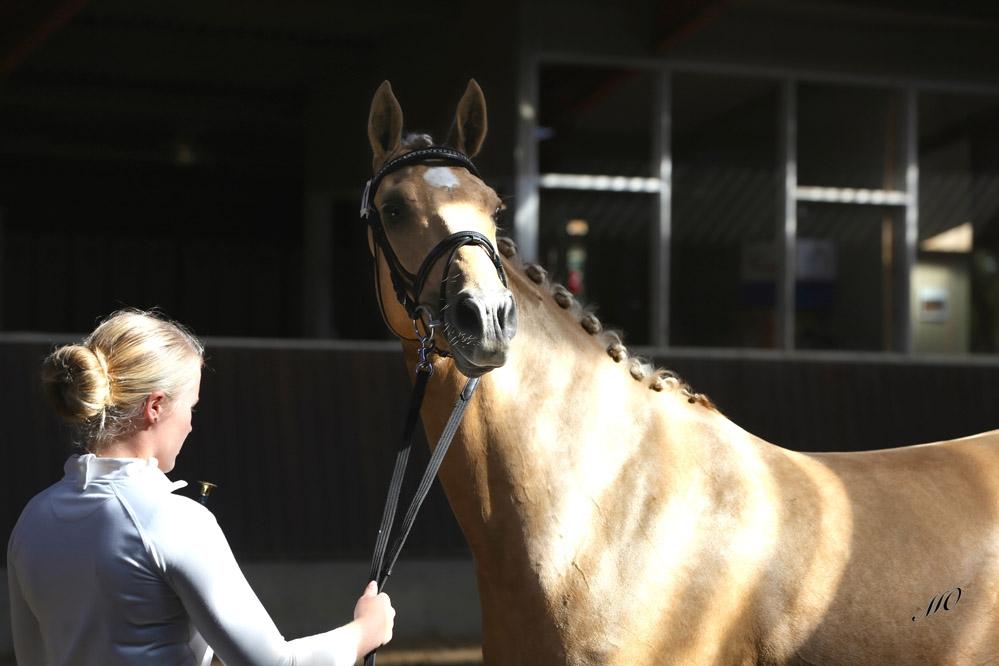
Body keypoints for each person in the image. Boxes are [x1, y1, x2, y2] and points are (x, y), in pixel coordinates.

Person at [7, 309, 395, 665]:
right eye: (190, 407)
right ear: (155, 406)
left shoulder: (32, 520)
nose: (191, 424)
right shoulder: (172, 519)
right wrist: (364, 632)